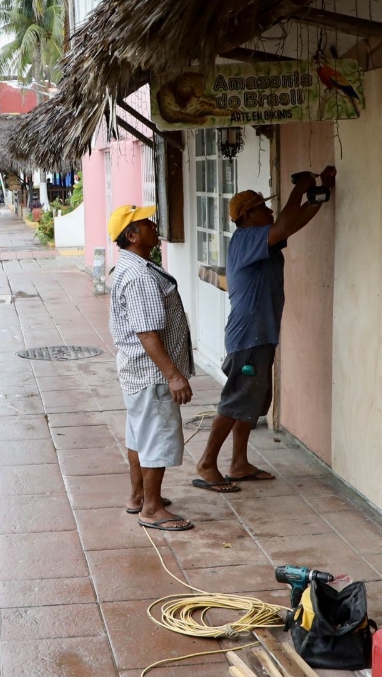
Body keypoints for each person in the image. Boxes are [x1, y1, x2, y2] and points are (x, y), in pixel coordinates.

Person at [193, 167, 334, 492]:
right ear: (249, 215)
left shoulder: (262, 240)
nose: (270, 211)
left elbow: (294, 223)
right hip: (248, 337)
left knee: (251, 402)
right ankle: (206, 463)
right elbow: (286, 221)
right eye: (264, 207)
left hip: (260, 334)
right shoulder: (247, 238)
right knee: (236, 400)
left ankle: (239, 463)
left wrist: (319, 191)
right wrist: (299, 189)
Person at [108, 205, 196, 531]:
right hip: (152, 374)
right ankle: (153, 508)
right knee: (157, 439)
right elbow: (147, 333)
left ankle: (137, 498)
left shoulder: (131, 268)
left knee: (139, 437)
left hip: (137, 372)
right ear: (132, 235)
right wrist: (173, 376)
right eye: (146, 223)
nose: (155, 225)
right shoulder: (140, 276)